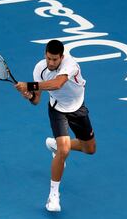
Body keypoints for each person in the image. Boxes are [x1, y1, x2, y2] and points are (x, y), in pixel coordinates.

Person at [15, 39, 96, 212]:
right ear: (45, 55)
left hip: (78, 107)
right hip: (57, 109)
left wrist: (29, 85)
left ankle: (53, 144)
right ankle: (53, 196)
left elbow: (58, 83)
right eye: (48, 58)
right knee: (64, 150)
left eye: (55, 59)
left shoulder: (70, 64)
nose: (51, 63)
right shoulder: (39, 69)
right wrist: (29, 95)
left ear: (61, 57)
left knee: (89, 149)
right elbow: (37, 100)